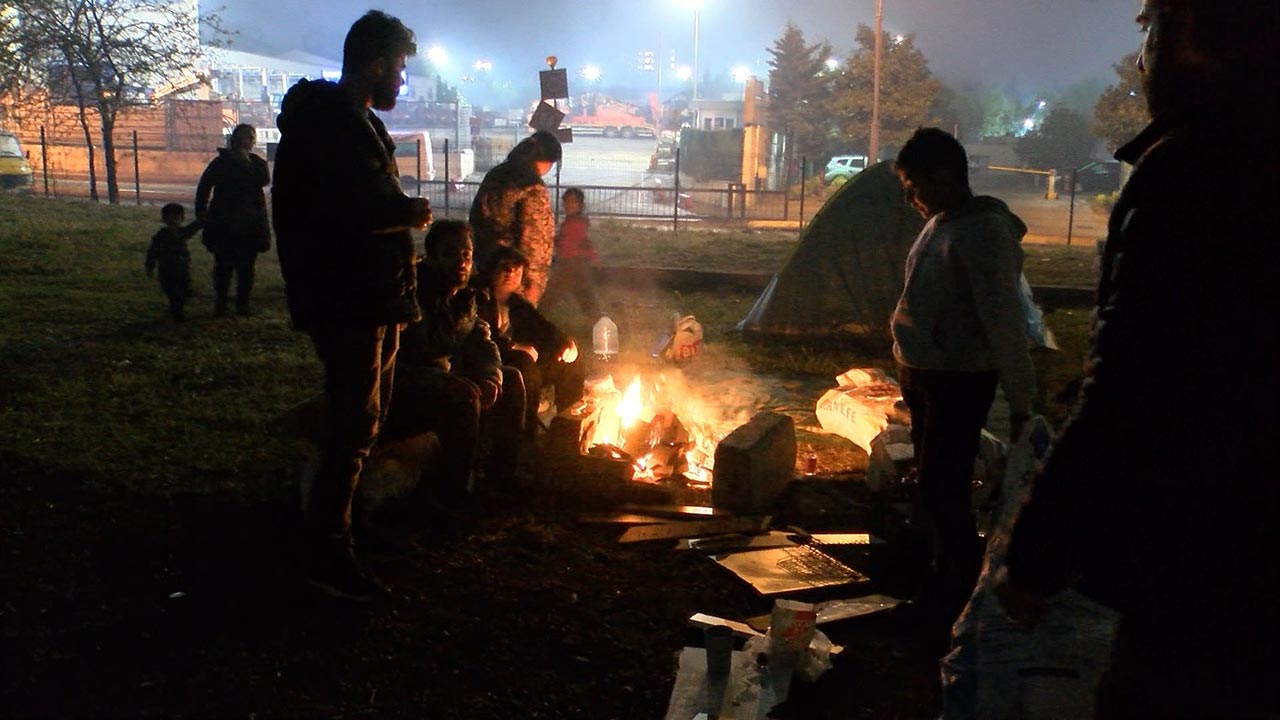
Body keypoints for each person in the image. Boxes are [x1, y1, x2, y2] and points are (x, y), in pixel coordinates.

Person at [999, 2, 1280, 716]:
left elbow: (1133, 385)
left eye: (1151, 31)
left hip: (1211, 561)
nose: (1142, 58)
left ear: (1202, 38)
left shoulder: (1198, 171)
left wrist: (1040, 553)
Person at [271, 10, 432, 601]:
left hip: (375, 295)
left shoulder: (352, 122)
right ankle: (327, 550)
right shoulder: (333, 127)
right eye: (398, 70)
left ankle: (348, 530)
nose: (401, 82)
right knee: (352, 423)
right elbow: (344, 212)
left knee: (367, 420)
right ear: (373, 64)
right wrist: (406, 212)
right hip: (350, 299)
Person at [889, 127, 1036, 643]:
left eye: (915, 185)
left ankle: (953, 605)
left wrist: (1022, 401)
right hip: (927, 374)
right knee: (932, 486)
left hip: (958, 380)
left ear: (946, 176)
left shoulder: (985, 233)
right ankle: (931, 584)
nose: (911, 197)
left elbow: (1004, 321)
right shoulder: (942, 223)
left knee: (944, 490)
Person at [383, 220, 523, 513]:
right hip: (402, 391)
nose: (462, 262)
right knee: (463, 399)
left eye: (467, 255)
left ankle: (499, 478)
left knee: (511, 380)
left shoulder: (465, 298)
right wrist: (442, 382)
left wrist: (491, 378)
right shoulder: (412, 296)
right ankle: (452, 495)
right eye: (452, 253)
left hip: (441, 381)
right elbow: (395, 363)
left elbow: (483, 343)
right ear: (431, 257)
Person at [476, 246, 586, 437]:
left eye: (517, 270)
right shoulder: (478, 299)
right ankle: (525, 434)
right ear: (491, 270)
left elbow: (542, 328)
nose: (511, 273)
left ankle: (568, 426)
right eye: (505, 268)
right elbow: (477, 339)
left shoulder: (517, 304)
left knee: (570, 362)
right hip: (491, 366)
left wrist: (566, 342)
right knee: (525, 365)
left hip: (523, 362)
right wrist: (514, 348)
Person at [468, 130, 561, 305]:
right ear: (547, 160)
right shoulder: (532, 186)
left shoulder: (496, 174)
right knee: (511, 324)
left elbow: (476, 218)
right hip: (515, 276)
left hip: (486, 265)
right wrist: (533, 283)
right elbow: (535, 239)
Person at [195, 123, 271, 317]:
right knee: (227, 266)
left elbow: (264, 179)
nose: (252, 141)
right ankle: (228, 304)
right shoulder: (226, 163)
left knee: (239, 267)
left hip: (237, 222)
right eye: (250, 137)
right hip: (234, 222)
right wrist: (201, 210)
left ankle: (236, 304)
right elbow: (205, 187)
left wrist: (202, 211)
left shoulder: (238, 162)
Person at [541, 187, 601, 320]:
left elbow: (570, 243)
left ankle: (533, 323)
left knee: (549, 298)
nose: (568, 205)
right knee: (586, 299)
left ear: (580, 204)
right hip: (577, 264)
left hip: (572, 264)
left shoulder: (576, 223)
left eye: (572, 201)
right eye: (566, 201)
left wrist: (552, 242)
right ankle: (600, 326)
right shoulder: (573, 221)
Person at [144, 203, 203, 321]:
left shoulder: (179, 233)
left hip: (181, 269)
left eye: (176, 217)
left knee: (183, 290)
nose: (173, 221)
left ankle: (177, 310)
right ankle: (177, 313)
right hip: (167, 269)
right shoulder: (162, 236)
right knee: (174, 292)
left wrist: (201, 221)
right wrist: (150, 265)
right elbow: (152, 252)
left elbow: (193, 228)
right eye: (171, 218)